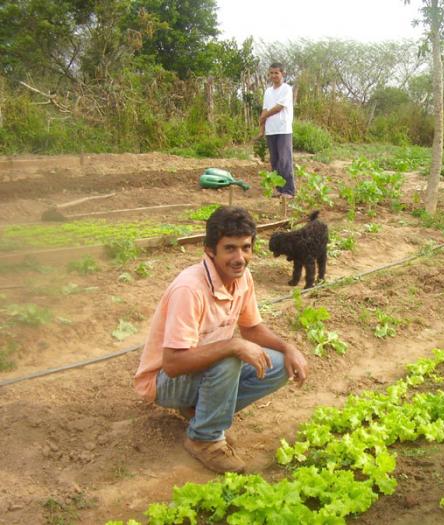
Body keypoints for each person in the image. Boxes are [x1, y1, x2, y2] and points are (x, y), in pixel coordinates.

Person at [134, 206, 308, 473]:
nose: (240, 258)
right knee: (230, 358)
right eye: (230, 248)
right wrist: (233, 345)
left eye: (246, 247)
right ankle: (203, 439)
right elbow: (171, 364)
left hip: (202, 371)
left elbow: (251, 329)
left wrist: (289, 347)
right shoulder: (189, 289)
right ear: (209, 250)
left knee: (278, 365)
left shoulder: (242, 278)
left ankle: (202, 413)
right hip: (164, 382)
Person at [259, 62, 295, 198]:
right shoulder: (268, 91)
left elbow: (278, 108)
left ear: (282, 74)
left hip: (283, 129)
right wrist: (261, 128)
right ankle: (279, 189)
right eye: (271, 73)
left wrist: (263, 116)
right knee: (274, 161)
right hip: (271, 130)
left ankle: (289, 191)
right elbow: (265, 109)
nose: (274, 75)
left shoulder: (286, 89)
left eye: (276, 73)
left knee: (284, 160)